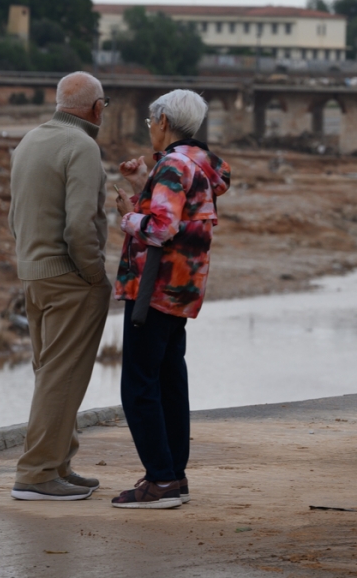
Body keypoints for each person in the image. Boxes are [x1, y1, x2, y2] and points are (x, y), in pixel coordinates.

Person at [110, 89, 231, 509]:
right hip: (181, 289)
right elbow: (179, 212)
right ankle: (173, 476)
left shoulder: (173, 166)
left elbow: (160, 229)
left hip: (153, 289)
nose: (149, 129)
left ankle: (160, 481)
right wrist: (143, 186)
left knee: (139, 385)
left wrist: (127, 216)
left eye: (150, 122)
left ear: (163, 121)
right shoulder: (196, 163)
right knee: (169, 380)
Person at [8, 71, 111, 501]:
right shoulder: (82, 146)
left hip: (33, 274)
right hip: (70, 279)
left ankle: (57, 465)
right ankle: (35, 475)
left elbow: (16, 214)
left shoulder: (30, 140)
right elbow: (79, 225)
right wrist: (95, 276)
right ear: (96, 108)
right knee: (62, 377)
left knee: (51, 373)